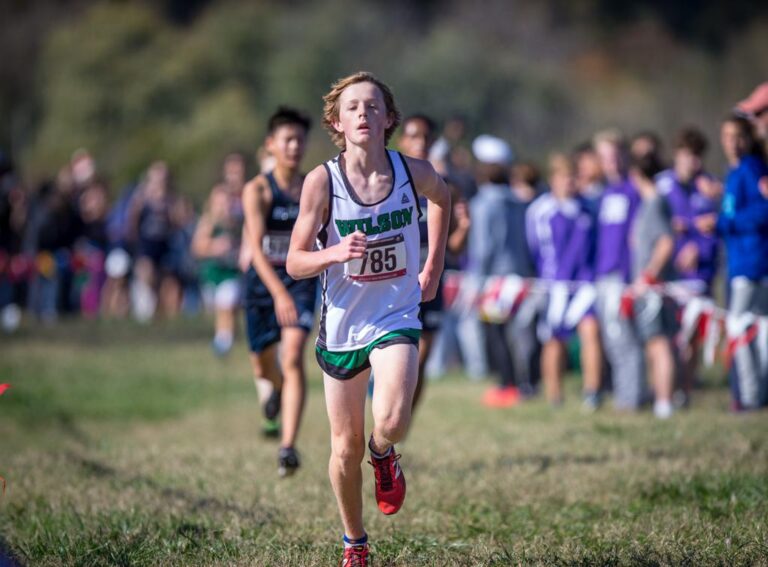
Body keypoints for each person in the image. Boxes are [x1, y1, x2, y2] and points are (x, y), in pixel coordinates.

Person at [286, 72, 450, 566]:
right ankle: (355, 541)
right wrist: (333, 252)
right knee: (343, 447)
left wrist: (433, 265)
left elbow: (443, 197)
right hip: (342, 325)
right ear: (337, 121)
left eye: (373, 106)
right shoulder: (323, 181)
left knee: (393, 420)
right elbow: (295, 260)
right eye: (353, 107)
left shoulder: (411, 171)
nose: (363, 114)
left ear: (389, 119)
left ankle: (386, 453)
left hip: (396, 312)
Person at [241, 107, 317, 473]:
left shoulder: (312, 188)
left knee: (293, 357)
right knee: (263, 364)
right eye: (287, 139)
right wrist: (278, 294)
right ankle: (273, 392)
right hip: (263, 286)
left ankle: (288, 446)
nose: (294, 146)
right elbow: (255, 250)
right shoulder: (257, 190)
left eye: (300, 140)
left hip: (300, 284)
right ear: (271, 144)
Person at [396, 113, 470, 410]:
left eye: (427, 138)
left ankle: (397, 430)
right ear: (402, 141)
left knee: (420, 361)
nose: (421, 143)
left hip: (431, 283)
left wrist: (464, 228)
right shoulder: (389, 184)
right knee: (396, 360)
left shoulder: (446, 188)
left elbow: (453, 248)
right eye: (414, 136)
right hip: (395, 281)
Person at [526, 153, 601, 408]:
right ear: (554, 179)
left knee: (591, 331)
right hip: (555, 286)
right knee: (554, 340)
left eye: (574, 178)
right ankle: (554, 395)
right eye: (566, 178)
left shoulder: (588, 207)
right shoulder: (540, 210)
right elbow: (535, 248)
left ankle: (592, 393)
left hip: (584, 285)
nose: (571, 183)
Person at [655, 127, 720, 405]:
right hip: (669, 274)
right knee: (667, 336)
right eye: (686, 156)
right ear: (676, 155)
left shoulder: (709, 187)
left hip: (699, 274)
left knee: (691, 338)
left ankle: (685, 390)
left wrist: (698, 246)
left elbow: (716, 228)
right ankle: (664, 389)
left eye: (697, 157)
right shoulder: (662, 186)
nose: (692, 163)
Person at [466, 135, 533, 407]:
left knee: (496, 333)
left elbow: (484, 247)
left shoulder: (483, 203)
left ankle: (507, 386)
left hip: (494, 280)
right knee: (518, 335)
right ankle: (524, 383)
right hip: (519, 275)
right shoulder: (517, 201)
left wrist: (475, 283)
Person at [717, 115, 768, 410]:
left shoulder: (751, 170)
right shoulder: (735, 173)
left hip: (751, 263)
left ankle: (751, 396)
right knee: (756, 328)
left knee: (740, 327)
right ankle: (755, 394)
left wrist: (727, 222)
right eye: (726, 136)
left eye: (737, 136)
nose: (732, 143)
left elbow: (762, 210)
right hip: (741, 261)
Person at [592, 129, 646, 411]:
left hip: (622, 277)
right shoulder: (604, 194)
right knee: (612, 340)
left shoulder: (633, 191)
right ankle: (623, 394)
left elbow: (637, 239)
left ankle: (632, 398)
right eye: (604, 157)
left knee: (626, 339)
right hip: (603, 275)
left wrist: (631, 277)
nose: (610, 162)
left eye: (614, 155)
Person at [629, 154, 677, 419]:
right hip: (650, 287)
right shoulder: (652, 203)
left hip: (652, 288)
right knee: (654, 344)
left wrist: (648, 275)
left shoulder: (655, 202)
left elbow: (666, 242)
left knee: (659, 344)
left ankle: (664, 401)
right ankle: (660, 396)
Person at [192, 183, 242, 355]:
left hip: (232, 273)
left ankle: (223, 342)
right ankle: (224, 339)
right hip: (213, 274)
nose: (224, 206)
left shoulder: (237, 223)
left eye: (228, 202)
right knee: (222, 309)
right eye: (220, 202)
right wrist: (215, 247)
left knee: (227, 300)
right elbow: (197, 248)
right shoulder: (208, 222)